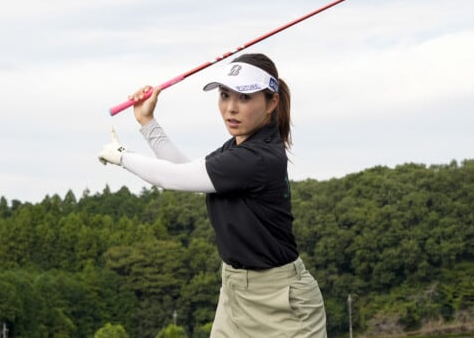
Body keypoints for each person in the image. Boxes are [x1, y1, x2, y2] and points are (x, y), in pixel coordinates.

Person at [98, 53, 327, 337]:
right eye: (224, 95)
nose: (231, 108)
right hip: (234, 294)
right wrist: (147, 122)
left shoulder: (259, 157)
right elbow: (186, 172)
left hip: (282, 303)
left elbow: (172, 178)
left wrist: (124, 157)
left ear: (272, 103)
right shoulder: (235, 148)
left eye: (244, 98)